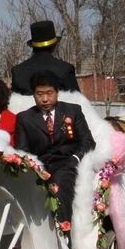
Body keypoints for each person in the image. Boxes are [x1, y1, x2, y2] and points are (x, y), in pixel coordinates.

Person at [14, 71, 95, 223]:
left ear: (57, 93)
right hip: (40, 167)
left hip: (67, 163)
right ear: (33, 95)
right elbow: (22, 149)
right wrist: (34, 168)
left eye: (49, 93)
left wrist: (75, 158)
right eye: (39, 94)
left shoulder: (73, 111)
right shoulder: (24, 118)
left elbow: (88, 141)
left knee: (59, 182)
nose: (45, 99)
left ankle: (63, 229)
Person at [10, 20, 79, 95]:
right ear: (54, 46)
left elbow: (14, 103)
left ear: (33, 47)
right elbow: (77, 101)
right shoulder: (66, 69)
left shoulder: (17, 71)